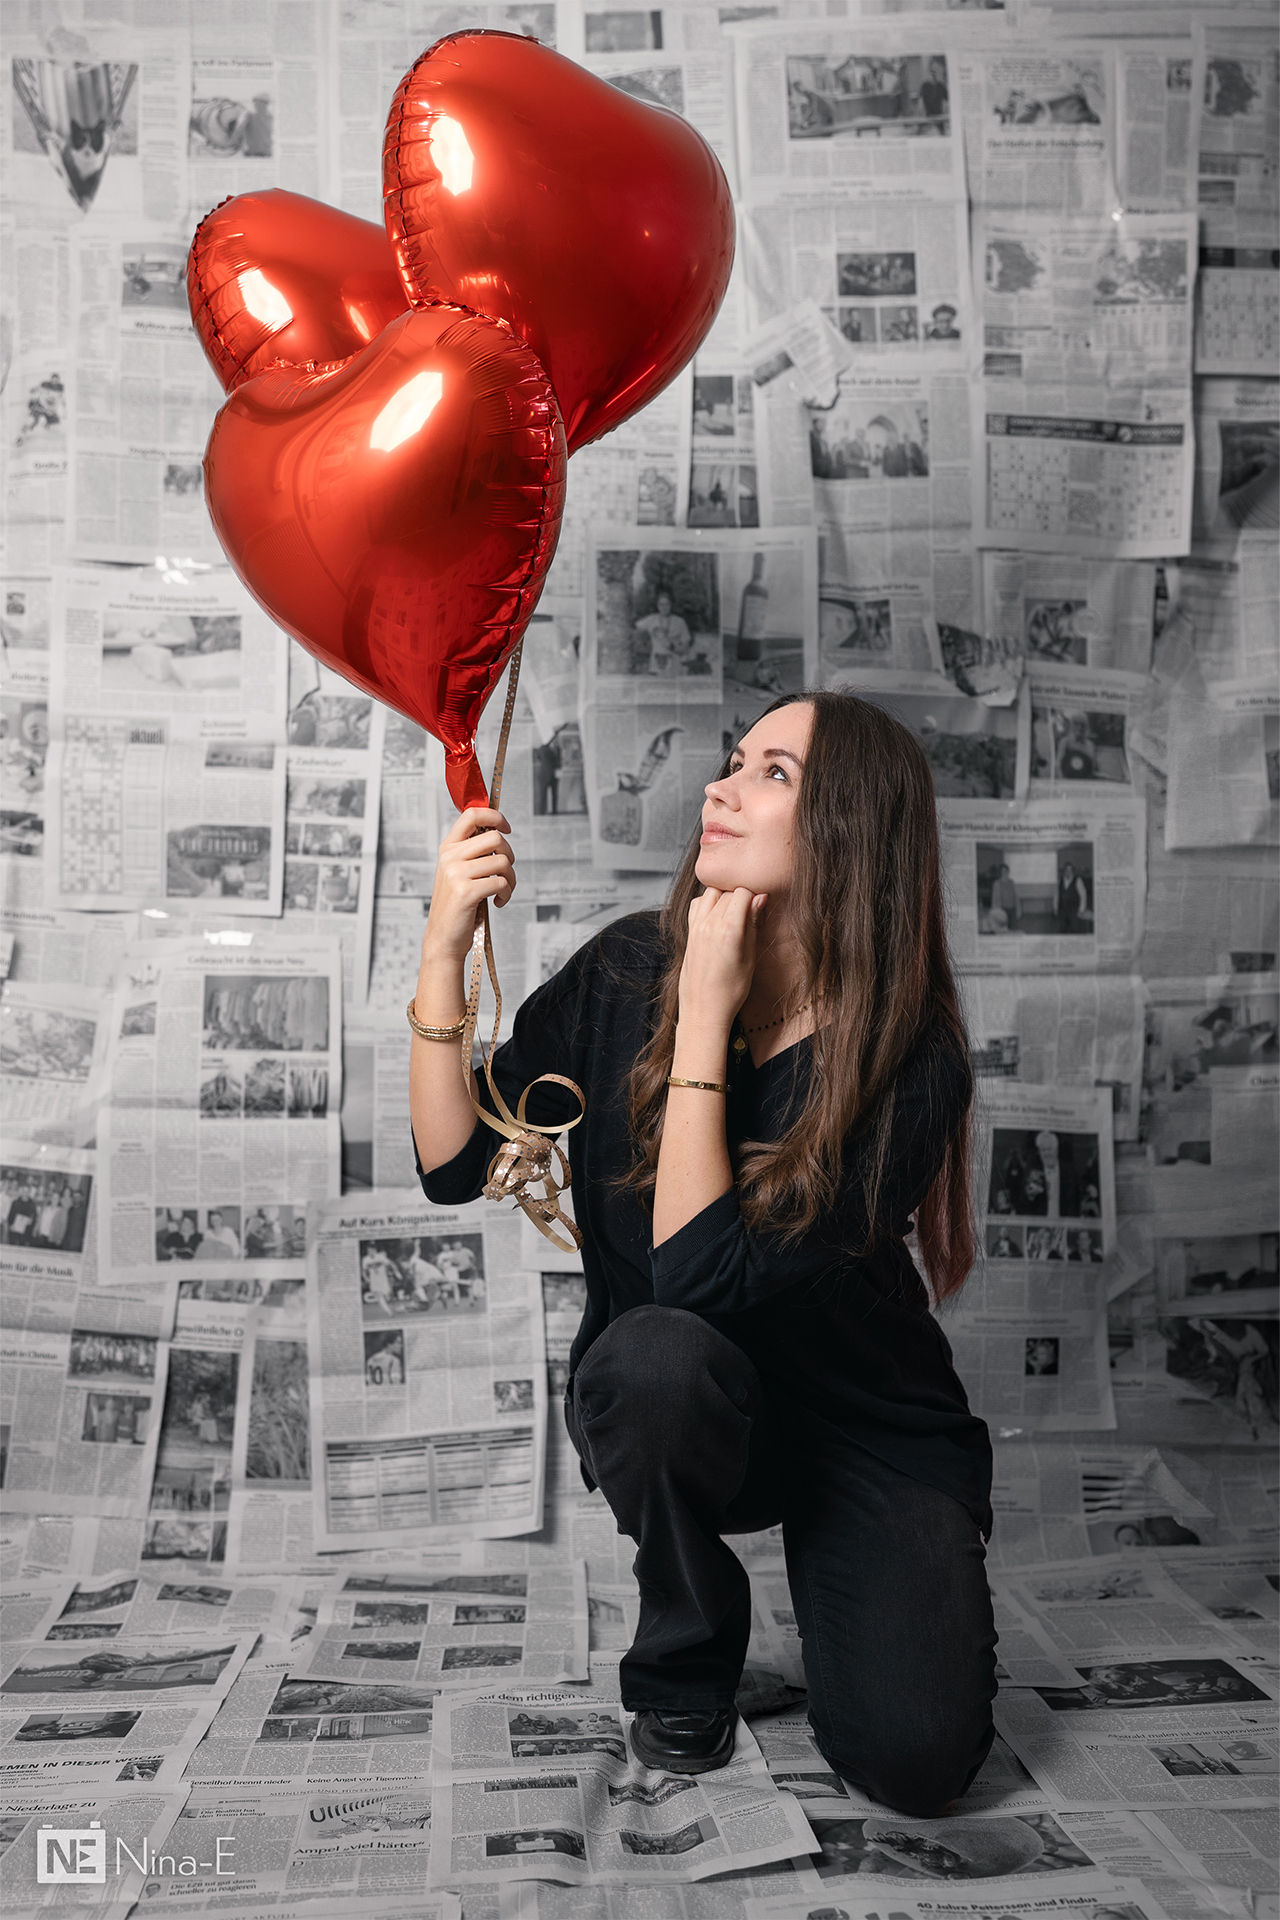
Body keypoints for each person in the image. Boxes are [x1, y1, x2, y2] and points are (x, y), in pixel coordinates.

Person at [409, 691, 996, 1807]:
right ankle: (686, 1663)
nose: (720, 787)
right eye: (732, 759)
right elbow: (450, 1164)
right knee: (652, 1359)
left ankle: (868, 1609)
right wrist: (444, 950)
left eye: (772, 773)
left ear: (848, 830)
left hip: (861, 1426)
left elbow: (697, 1267)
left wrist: (705, 1023)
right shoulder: (630, 968)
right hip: (696, 1408)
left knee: (913, 1762)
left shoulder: (911, 1058)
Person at [1057, 860, 1091, 934]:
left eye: (1070, 870)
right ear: (1064, 871)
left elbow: (1083, 895)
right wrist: (1056, 907)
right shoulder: (1060, 881)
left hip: (1074, 911)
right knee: (1063, 930)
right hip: (1063, 911)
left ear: (1073, 871)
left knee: (1075, 930)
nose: (1068, 872)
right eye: (1066, 870)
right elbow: (1056, 895)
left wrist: (1081, 909)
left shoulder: (1078, 880)